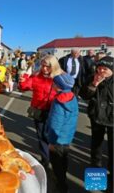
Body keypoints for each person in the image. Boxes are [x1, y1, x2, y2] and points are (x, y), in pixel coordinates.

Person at [18, 55, 63, 168]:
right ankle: (45, 160)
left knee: (52, 136)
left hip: (54, 111)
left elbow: (67, 92)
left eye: (47, 66)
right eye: (43, 66)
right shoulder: (37, 76)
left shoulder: (59, 78)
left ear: (53, 66)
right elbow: (24, 87)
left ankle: (56, 158)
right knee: (41, 135)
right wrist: (23, 81)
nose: (44, 69)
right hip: (39, 111)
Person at [80, 56, 113, 193]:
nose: (101, 71)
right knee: (96, 148)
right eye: (99, 68)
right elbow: (84, 95)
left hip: (112, 120)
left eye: (105, 69)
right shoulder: (93, 77)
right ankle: (96, 180)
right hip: (97, 118)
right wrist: (94, 84)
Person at [46, 73, 78, 192]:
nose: (52, 84)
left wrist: (52, 142)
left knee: (56, 163)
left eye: (54, 83)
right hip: (67, 136)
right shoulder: (71, 97)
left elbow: (55, 123)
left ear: (59, 86)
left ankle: (60, 184)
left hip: (58, 139)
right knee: (64, 159)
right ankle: (62, 178)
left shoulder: (59, 102)